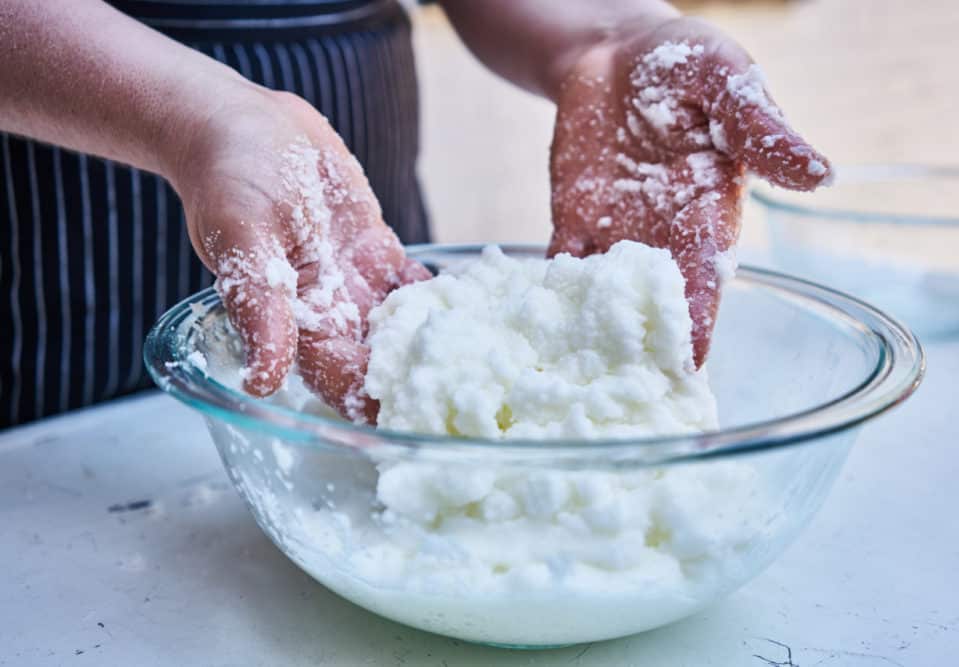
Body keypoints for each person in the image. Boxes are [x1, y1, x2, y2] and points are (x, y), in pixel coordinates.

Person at [0, 0, 829, 428]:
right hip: (48, 268)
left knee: (382, 400)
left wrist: (606, 33)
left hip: (349, 241)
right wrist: (190, 115)